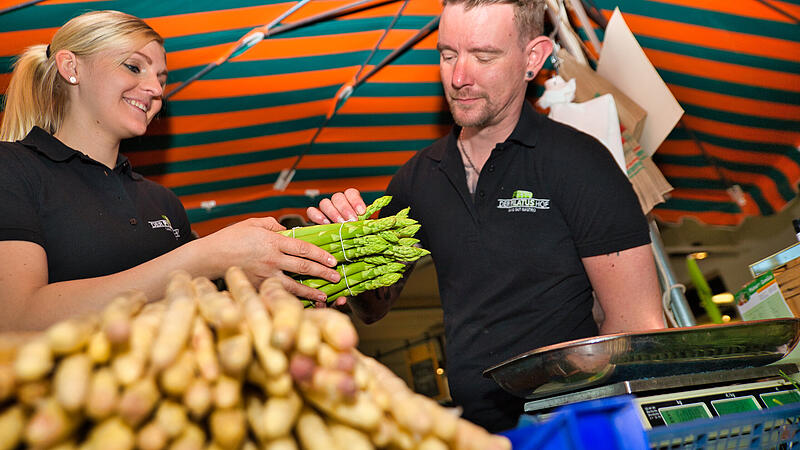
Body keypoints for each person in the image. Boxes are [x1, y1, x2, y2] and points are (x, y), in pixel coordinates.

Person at [307, 0, 665, 433]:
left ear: (532, 58)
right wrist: (347, 260)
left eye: (483, 55)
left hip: (575, 423)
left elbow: (638, 325)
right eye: (447, 54)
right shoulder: (417, 181)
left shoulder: (580, 163)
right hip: (474, 433)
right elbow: (373, 310)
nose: (459, 77)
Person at [0, 10, 342, 331]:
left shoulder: (163, 202)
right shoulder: (12, 169)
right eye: (135, 68)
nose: (156, 90)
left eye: (162, 78)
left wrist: (255, 282)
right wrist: (205, 256)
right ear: (71, 67)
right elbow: (15, 320)